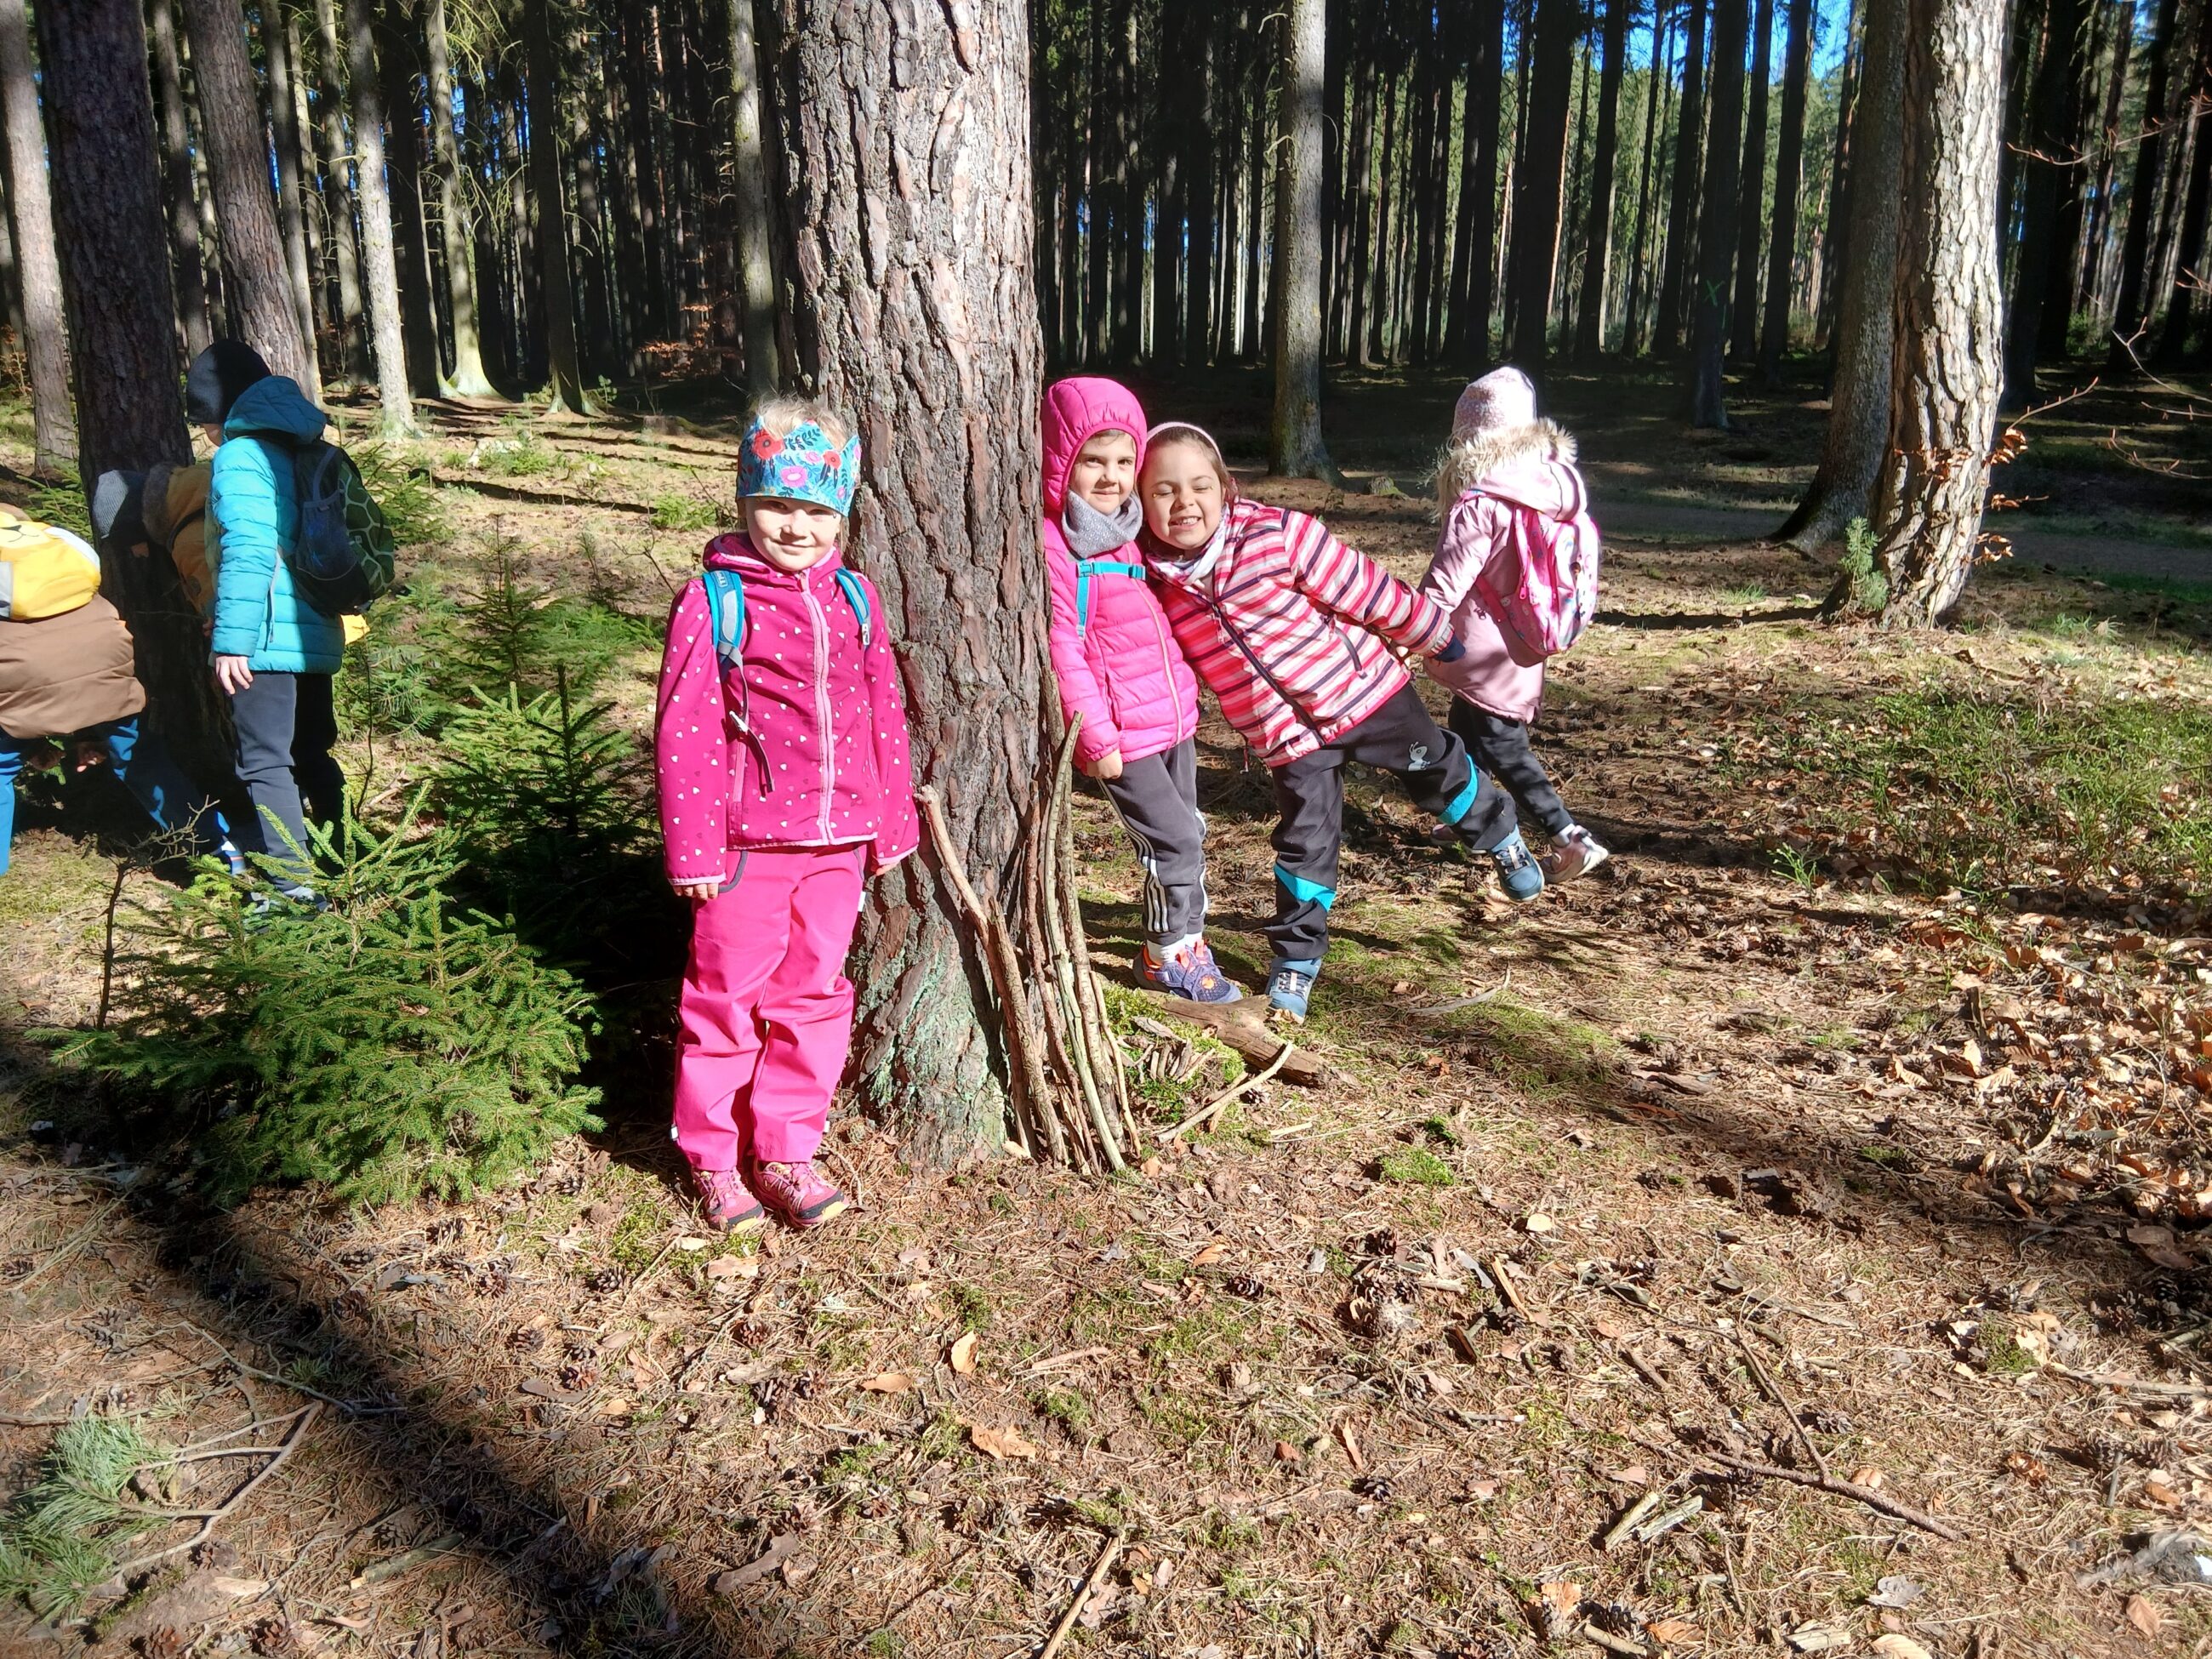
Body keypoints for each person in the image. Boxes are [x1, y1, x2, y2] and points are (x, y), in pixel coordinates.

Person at [1135, 422, 1542, 1024]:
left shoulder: (1275, 534)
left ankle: (1500, 835)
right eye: (1163, 491)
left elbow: (1362, 587)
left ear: (1226, 487)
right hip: (1287, 737)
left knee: (1437, 772)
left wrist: (1430, 632)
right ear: (1141, 503)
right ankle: (1296, 959)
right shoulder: (1156, 582)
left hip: (1369, 693)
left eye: (1199, 486)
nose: (1184, 503)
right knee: (1305, 842)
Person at [654, 396, 916, 1234]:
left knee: (813, 998)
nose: (795, 526)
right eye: (775, 504)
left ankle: (785, 1150)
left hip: (839, 844)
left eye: (814, 510)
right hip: (744, 848)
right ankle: (711, 1158)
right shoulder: (714, 600)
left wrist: (891, 821)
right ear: (744, 500)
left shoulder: (856, 599)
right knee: (723, 1001)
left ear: (840, 514)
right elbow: (685, 730)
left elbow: (883, 713)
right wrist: (694, 851)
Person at [1040, 378, 1238, 1003]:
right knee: (1170, 841)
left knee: (1191, 832)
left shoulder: (1128, 531)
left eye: (1125, 461)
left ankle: (1191, 940)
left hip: (1172, 718)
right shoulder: (1057, 544)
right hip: (1123, 731)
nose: (1111, 476)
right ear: (1061, 459)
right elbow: (1062, 647)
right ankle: (1163, 955)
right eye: (1093, 460)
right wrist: (1096, 738)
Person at [1422, 368, 1611, 882]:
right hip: (1526, 639)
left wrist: (1407, 629)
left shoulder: (1481, 504)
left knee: (1504, 746)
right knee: (1467, 728)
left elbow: (1445, 585)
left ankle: (1569, 837)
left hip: (1484, 646)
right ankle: (1471, 818)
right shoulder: (1552, 491)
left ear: (1470, 437)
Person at [1, 502, 239, 876]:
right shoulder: (52, 543)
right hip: (105, 650)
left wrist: (28, 743)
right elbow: (65, 649)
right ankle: (216, 844)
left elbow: (37, 662)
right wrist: (84, 733)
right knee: (138, 755)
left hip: (23, 669)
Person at [191, 340, 346, 897]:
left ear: (220, 411)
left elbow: (250, 549)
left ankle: (294, 889)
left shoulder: (240, 455)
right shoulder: (305, 445)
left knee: (264, 761)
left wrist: (232, 638)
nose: (205, 434)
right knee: (311, 751)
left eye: (203, 421)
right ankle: (343, 858)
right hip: (313, 630)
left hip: (264, 635)